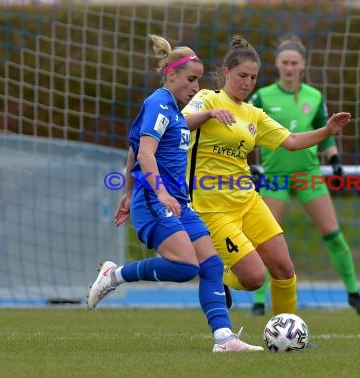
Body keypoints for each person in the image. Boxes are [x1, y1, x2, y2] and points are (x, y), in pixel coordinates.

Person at [86, 34, 263, 352]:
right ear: (171, 75)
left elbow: (133, 148)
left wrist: (125, 194)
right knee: (185, 268)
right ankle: (116, 274)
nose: (196, 88)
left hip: (173, 201)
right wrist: (156, 193)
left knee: (211, 266)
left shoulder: (172, 110)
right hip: (155, 200)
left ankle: (224, 339)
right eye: (191, 80)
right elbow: (145, 154)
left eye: (198, 81)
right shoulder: (158, 103)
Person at [182, 35, 352, 317]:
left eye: (253, 77)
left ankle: (286, 332)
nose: (248, 82)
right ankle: (219, 275)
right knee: (254, 278)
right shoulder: (206, 99)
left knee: (284, 269)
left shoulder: (254, 114)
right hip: (212, 208)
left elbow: (293, 140)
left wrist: (326, 132)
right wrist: (210, 114)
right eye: (242, 75)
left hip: (248, 201)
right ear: (226, 72)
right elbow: (180, 123)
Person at [248, 35, 360, 316]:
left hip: (308, 175)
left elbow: (325, 133)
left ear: (303, 65)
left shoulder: (314, 97)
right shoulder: (262, 96)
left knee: (333, 234)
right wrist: (248, 165)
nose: (289, 68)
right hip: (275, 177)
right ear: (277, 64)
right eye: (284, 63)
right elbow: (248, 133)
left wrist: (335, 158)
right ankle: (258, 301)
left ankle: (354, 294)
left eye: (294, 63)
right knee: (263, 239)